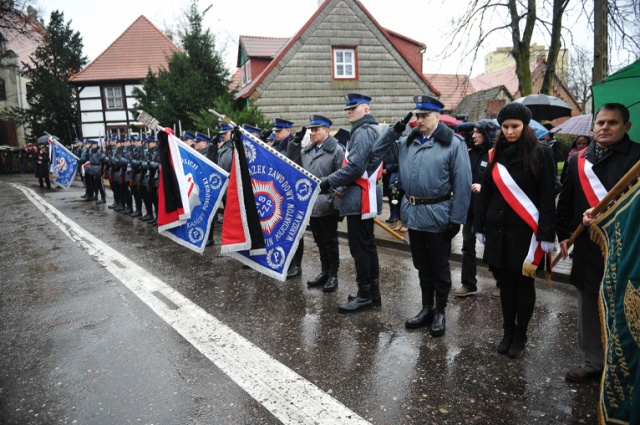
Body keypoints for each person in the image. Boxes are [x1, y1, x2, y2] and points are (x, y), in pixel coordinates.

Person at [372, 95, 472, 336]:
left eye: (425, 115)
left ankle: (440, 312)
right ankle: (426, 308)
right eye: (417, 116)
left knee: (439, 268)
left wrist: (457, 219)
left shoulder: (453, 144)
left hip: (439, 214)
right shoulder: (407, 142)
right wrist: (393, 132)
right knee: (422, 266)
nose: (419, 120)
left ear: (437, 116)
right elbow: (377, 152)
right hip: (413, 213)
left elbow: (462, 183)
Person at [556, 103, 640, 381]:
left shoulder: (638, 157)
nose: (604, 127)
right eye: (600, 123)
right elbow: (566, 203)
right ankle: (593, 361)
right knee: (589, 304)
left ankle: (626, 363)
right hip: (589, 247)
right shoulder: (577, 159)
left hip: (629, 246)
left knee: (626, 304)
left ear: (626, 127)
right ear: (593, 127)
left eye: (612, 123)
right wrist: (564, 235)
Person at [474, 102, 557, 358]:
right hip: (498, 232)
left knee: (524, 285)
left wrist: (546, 234)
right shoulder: (495, 154)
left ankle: (521, 334)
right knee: (505, 285)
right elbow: (486, 193)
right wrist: (480, 226)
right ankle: (507, 330)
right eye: (505, 127)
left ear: (525, 126)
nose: (509, 131)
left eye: (515, 126)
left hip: (526, 235)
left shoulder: (540, 153)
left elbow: (547, 195)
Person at [319, 93, 382, 313]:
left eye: (353, 108)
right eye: (348, 108)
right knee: (368, 245)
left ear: (366, 110)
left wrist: (328, 181)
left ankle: (365, 295)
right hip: (362, 194)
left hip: (360, 195)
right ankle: (372, 293)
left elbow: (355, 167)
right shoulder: (366, 129)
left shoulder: (364, 132)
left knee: (360, 248)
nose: (348, 111)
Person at [288, 115, 344, 292]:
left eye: (316, 130)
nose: (312, 133)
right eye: (311, 130)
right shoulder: (307, 150)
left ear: (326, 131)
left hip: (327, 201)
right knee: (319, 240)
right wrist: (295, 143)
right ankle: (324, 271)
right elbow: (294, 164)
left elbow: (342, 178)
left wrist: (337, 205)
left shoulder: (336, 150)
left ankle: (333, 274)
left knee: (330, 241)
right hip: (311, 203)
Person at [453, 119, 499, 298]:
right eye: (472, 132)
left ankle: (501, 283)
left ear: (486, 134)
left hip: (489, 210)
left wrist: (484, 187)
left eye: (477, 132)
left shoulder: (495, 155)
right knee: (467, 246)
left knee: (493, 248)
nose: (473, 135)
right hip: (470, 209)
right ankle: (468, 284)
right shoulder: (469, 153)